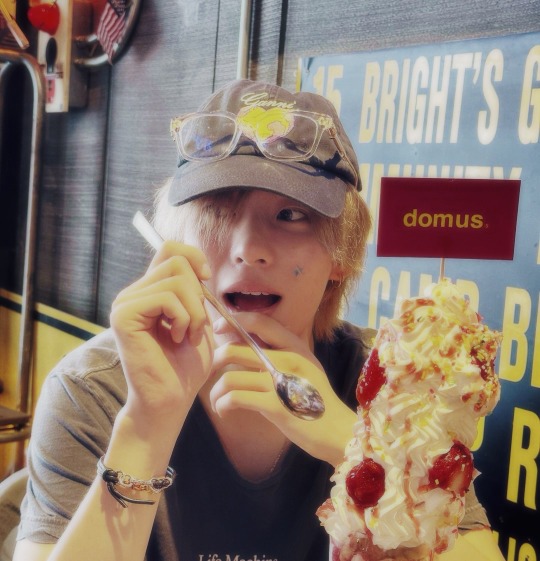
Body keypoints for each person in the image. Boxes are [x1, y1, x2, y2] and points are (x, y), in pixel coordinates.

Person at [13, 80, 504, 561]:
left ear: (341, 256)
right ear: (174, 240)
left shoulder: (394, 383)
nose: (248, 249)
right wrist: (146, 425)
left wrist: (356, 451)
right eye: (217, 209)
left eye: (291, 215)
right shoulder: (96, 388)